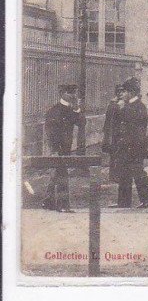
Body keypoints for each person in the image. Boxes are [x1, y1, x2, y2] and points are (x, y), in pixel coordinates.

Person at [112, 77, 148, 208]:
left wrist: (121, 109)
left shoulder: (138, 106)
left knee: (138, 172)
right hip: (127, 145)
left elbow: (133, 125)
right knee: (124, 172)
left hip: (135, 146)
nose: (122, 94)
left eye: (124, 92)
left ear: (131, 92)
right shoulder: (130, 105)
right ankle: (124, 201)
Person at [42, 84, 82, 212]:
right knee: (62, 174)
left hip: (65, 148)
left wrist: (77, 110)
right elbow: (50, 132)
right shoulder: (54, 110)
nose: (75, 96)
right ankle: (62, 205)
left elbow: (82, 123)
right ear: (63, 93)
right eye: (72, 93)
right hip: (58, 148)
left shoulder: (71, 110)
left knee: (57, 173)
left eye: (75, 93)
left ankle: (48, 201)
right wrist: (53, 150)